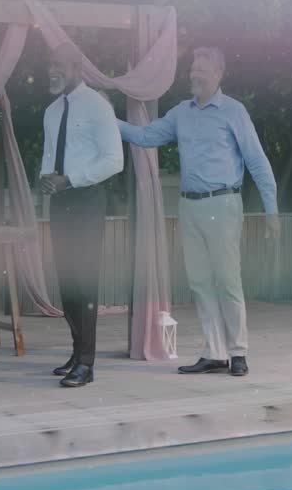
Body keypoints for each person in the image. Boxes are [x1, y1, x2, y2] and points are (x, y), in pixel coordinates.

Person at [117, 47, 279, 377]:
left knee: (227, 279)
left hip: (223, 204)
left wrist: (271, 210)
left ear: (218, 74)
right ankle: (214, 352)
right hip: (189, 206)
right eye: (193, 69)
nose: (194, 74)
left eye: (202, 70)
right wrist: (110, 121)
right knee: (201, 281)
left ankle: (238, 352)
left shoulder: (233, 111)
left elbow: (257, 161)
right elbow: (146, 136)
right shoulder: (181, 113)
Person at [39, 44, 124, 388]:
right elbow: (50, 154)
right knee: (67, 281)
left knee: (84, 281)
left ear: (77, 68)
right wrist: (46, 178)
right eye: (50, 65)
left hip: (87, 200)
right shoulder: (51, 111)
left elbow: (114, 160)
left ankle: (87, 364)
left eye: (59, 65)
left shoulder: (97, 106)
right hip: (60, 202)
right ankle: (77, 354)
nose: (52, 71)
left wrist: (71, 179)